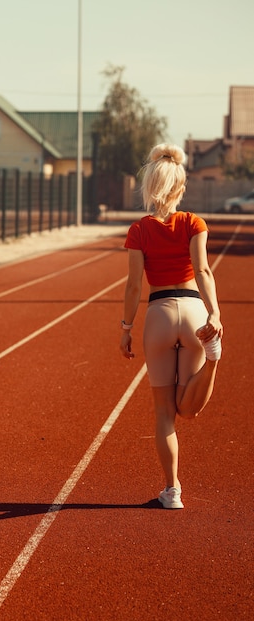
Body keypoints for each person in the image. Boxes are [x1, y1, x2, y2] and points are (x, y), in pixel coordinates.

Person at [120, 143, 223, 509]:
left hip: (159, 312)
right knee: (189, 408)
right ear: (181, 187)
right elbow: (203, 270)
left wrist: (126, 327)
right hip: (194, 310)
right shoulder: (194, 223)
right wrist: (215, 314)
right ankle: (212, 359)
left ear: (150, 187)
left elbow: (134, 285)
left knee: (165, 412)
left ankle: (172, 490)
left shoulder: (139, 230)